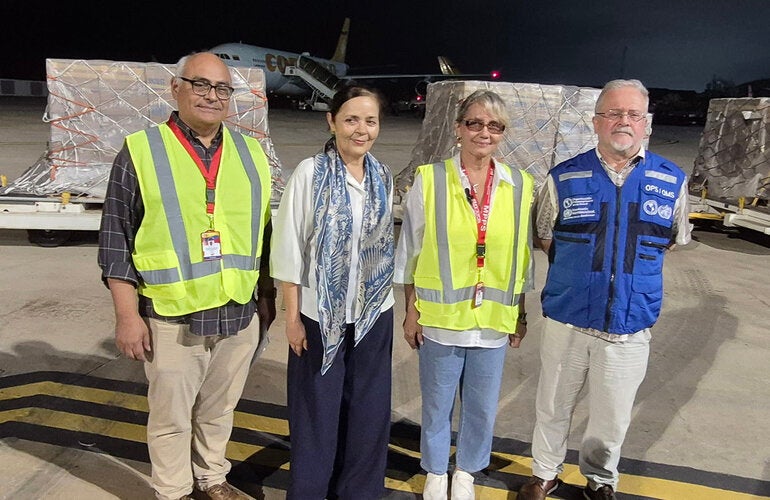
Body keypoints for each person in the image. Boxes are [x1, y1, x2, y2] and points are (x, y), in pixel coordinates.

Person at [98, 52, 276, 500]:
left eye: (221, 89)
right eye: (200, 85)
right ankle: (173, 491)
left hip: (237, 312)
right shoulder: (141, 150)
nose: (212, 96)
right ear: (175, 88)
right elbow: (116, 238)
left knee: (219, 410)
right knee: (171, 417)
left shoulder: (251, 153)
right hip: (171, 315)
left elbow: (264, 235)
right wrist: (126, 315)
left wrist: (267, 302)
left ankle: (212, 478)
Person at [517, 79, 691, 500]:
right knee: (553, 406)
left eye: (633, 114)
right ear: (596, 122)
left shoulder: (672, 180)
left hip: (630, 324)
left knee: (612, 418)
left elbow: (670, 239)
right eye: (613, 113)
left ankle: (600, 479)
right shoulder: (564, 177)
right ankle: (545, 473)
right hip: (569, 317)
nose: (623, 121)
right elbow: (545, 236)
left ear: (646, 124)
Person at [394, 89, 535, 500]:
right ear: (458, 128)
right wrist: (411, 311)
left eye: (494, 126)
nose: (483, 133)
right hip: (441, 319)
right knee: (437, 405)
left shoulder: (519, 185)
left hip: (493, 321)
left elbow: (521, 260)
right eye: (474, 123)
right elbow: (410, 251)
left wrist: (520, 314)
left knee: (481, 407)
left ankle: (467, 471)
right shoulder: (430, 179)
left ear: (503, 133)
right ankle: (437, 470)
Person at [270, 85, 395, 499]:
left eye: (370, 120)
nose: (362, 130)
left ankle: (360, 492)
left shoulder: (382, 175)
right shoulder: (310, 172)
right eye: (352, 119)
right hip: (319, 313)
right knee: (317, 414)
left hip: (374, 313)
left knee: (368, 413)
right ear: (332, 121)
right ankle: (309, 492)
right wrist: (291, 318)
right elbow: (289, 247)